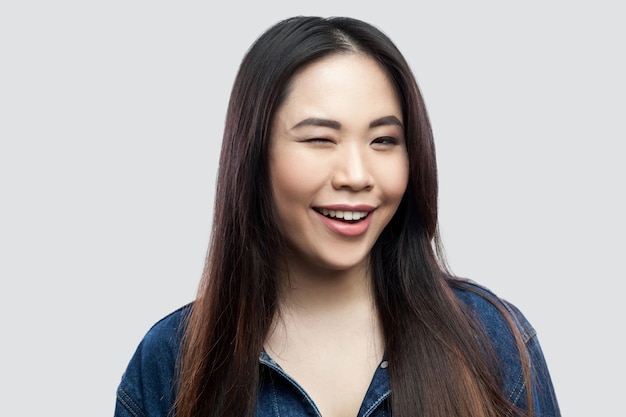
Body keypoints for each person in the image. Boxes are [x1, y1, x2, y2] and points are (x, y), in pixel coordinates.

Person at [114, 16, 561, 417]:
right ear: (254, 156)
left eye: (383, 141)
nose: (356, 175)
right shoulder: (171, 362)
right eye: (320, 140)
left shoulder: (493, 341)